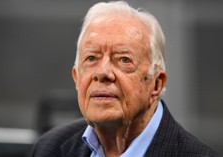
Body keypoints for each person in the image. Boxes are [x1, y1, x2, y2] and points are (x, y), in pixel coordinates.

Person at [31, 1, 220, 157]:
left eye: (123, 59)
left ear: (156, 83)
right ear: (77, 78)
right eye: (91, 58)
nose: (102, 72)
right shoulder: (49, 148)